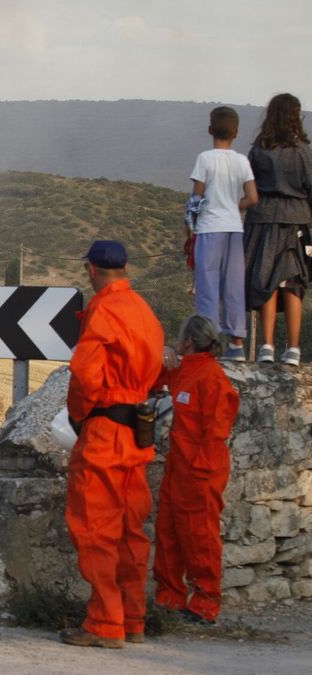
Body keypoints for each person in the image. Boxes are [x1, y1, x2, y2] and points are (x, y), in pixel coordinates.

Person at [60, 240, 164, 649]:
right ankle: (132, 619)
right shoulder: (144, 311)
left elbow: (85, 375)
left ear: (91, 269)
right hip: (137, 435)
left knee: (95, 528)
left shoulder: (103, 309)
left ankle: (105, 624)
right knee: (130, 532)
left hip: (105, 430)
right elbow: (156, 371)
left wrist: (78, 416)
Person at [153, 315, 240, 625]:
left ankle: (205, 600)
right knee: (168, 532)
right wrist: (162, 357)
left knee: (200, 535)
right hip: (181, 465)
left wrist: (201, 471)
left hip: (201, 469)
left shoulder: (213, 379)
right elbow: (158, 381)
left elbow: (217, 431)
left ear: (188, 341)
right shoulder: (186, 371)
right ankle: (170, 595)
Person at [244, 93, 312, 366]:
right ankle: (293, 349)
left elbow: (250, 186)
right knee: (292, 284)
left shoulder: (259, 149)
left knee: (266, 282)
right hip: (296, 220)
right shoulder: (303, 151)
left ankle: (266, 347)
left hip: (262, 220)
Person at [186, 106, 258, 361]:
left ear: (210, 130)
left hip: (209, 228)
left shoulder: (205, 158)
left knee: (207, 286)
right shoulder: (242, 161)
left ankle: (208, 344)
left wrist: (189, 227)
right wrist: (232, 205)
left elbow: (197, 196)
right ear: (236, 132)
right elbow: (252, 197)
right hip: (234, 229)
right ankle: (236, 344)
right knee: (233, 285)